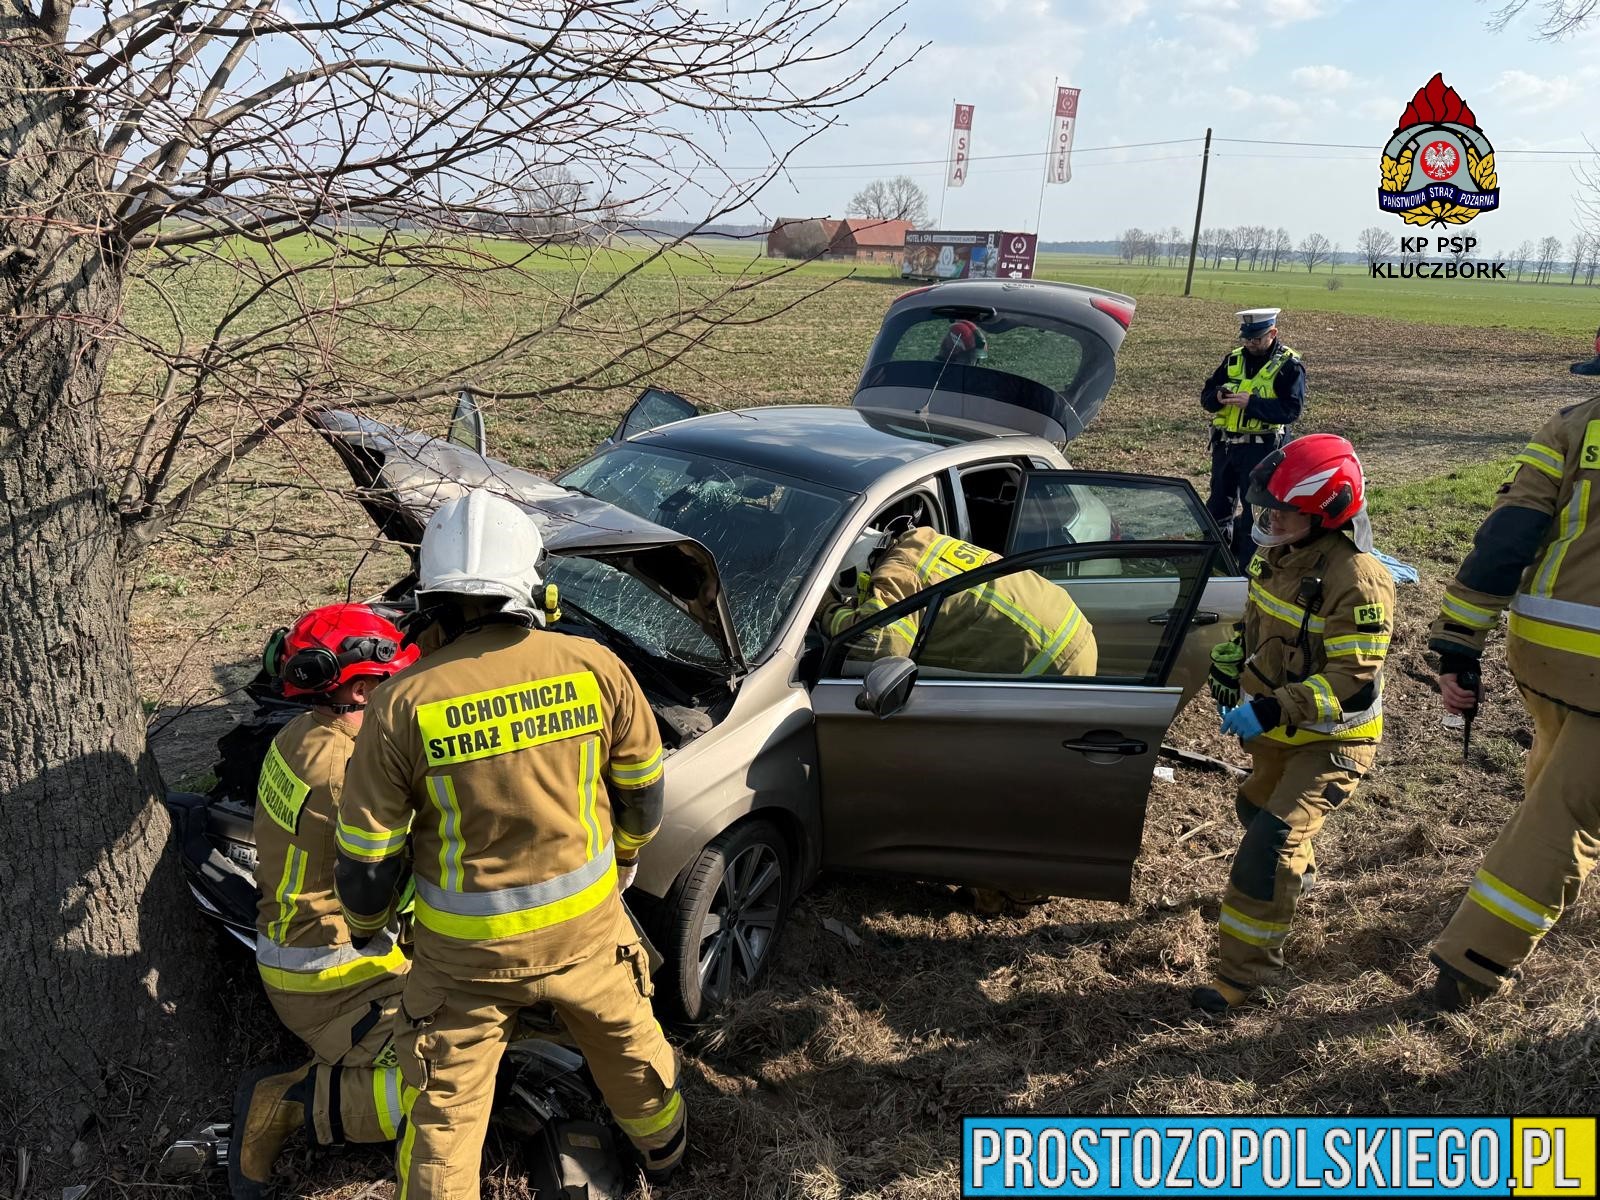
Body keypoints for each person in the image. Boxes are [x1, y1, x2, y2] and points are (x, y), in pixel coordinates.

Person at [334, 488, 685, 1199]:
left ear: (433, 601)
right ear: (536, 589)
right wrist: (625, 855)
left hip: (465, 963)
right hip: (585, 934)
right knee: (630, 1052)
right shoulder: (594, 667)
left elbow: (366, 857)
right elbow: (644, 788)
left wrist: (371, 931)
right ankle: (670, 1158)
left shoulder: (402, 703)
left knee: (445, 1110)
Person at [1195, 434, 1393, 1015]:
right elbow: (1264, 630)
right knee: (1253, 813)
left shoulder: (1358, 578)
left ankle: (1244, 981)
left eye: (1283, 510)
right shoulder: (1279, 555)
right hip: (1277, 736)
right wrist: (1237, 663)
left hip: (1332, 744)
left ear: (1328, 512)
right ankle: (1288, 885)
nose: (1270, 519)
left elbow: (1351, 678)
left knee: (1268, 849)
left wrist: (1275, 705)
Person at [229, 604, 420, 1200]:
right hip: (334, 972)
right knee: (447, 1079)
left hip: (301, 945)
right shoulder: (347, 772)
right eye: (395, 682)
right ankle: (291, 1103)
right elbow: (392, 877)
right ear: (362, 685)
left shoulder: (304, 733)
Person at [1426, 379, 1600, 1009]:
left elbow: (1506, 538)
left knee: (1556, 775)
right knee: (1563, 818)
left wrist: (1459, 640)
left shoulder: (1573, 426)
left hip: (1545, 649)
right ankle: (1472, 962)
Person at [821, 521, 1097, 679]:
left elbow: (879, 645)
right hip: (1073, 629)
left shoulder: (897, 574)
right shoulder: (922, 544)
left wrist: (828, 610)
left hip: (1050, 662)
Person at [1200, 308, 1307, 566]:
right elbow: (1206, 396)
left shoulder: (1289, 366)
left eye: (1257, 339)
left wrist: (1252, 403)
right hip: (1226, 447)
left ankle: (1249, 571)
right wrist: (1216, 397)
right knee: (1217, 508)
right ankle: (1216, 564)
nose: (1250, 343)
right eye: (1247, 338)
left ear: (1273, 333)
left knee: (1254, 513)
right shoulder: (1232, 360)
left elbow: (1291, 410)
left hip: (1263, 450)